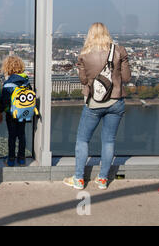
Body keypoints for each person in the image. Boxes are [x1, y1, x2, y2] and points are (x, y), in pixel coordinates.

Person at [64, 22, 131, 190]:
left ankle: (79, 179)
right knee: (108, 141)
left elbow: (84, 81)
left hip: (94, 102)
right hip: (116, 101)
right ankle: (102, 179)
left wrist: (81, 68)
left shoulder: (85, 54)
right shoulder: (119, 50)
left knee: (82, 140)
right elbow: (127, 77)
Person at [0, 56, 31, 167]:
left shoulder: (8, 84)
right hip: (24, 113)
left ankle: (11, 159)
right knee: (22, 134)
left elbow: (4, 101)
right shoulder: (26, 81)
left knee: (12, 136)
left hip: (11, 114)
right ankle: (22, 159)